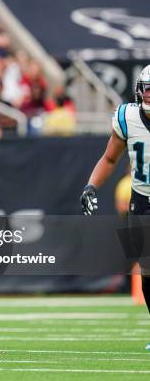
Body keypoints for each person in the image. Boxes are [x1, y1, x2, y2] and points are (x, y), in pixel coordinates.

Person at [80, 64, 150, 350]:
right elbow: (109, 159)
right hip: (142, 200)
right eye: (148, 91)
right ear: (139, 91)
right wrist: (91, 186)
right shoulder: (127, 117)